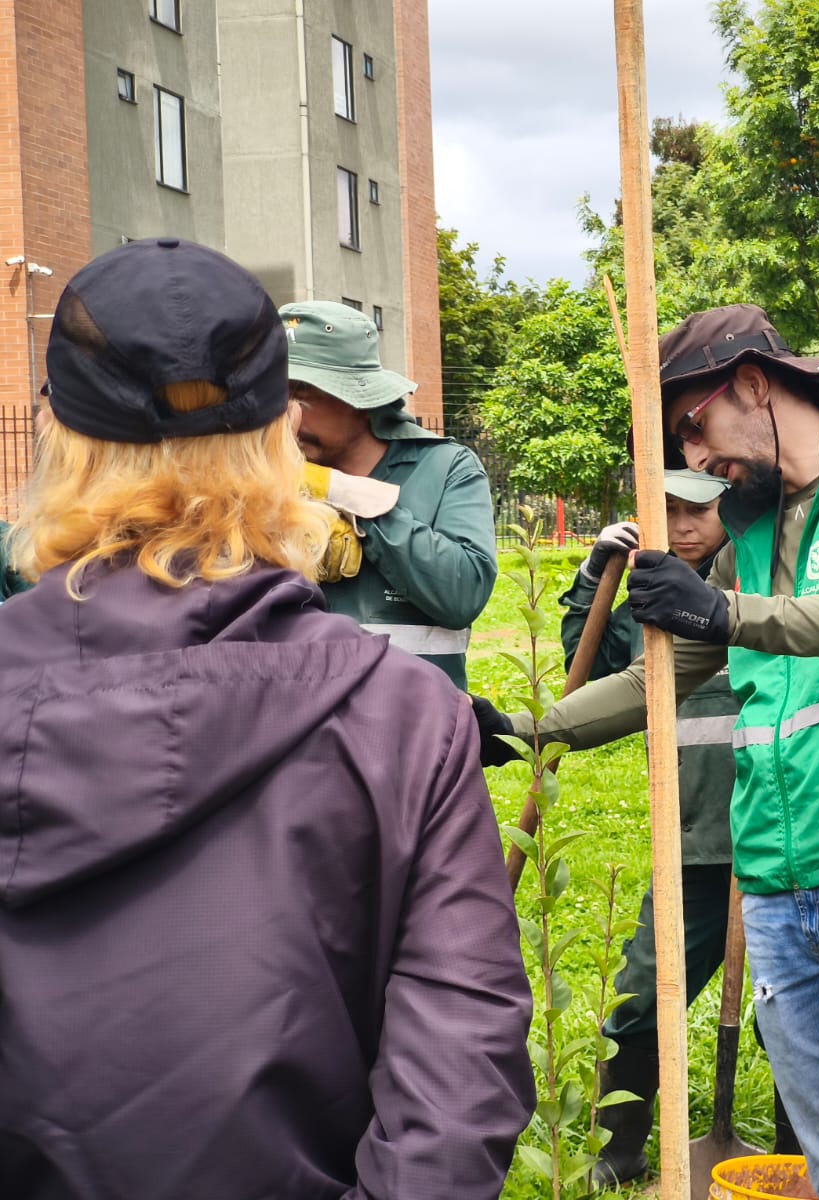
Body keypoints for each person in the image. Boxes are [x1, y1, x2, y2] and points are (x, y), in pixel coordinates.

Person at [0, 239, 534, 1198]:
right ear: (279, 430)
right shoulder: (408, 718)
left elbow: (460, 586)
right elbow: (458, 1077)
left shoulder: (439, 477)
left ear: (59, 434)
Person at [477, 304, 819, 1200]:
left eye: (694, 426)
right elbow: (656, 681)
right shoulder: (749, 535)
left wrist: (724, 612)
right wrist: (526, 732)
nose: (696, 459)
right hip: (781, 884)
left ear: (755, 382)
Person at [548, 469, 796, 1183]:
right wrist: (597, 574)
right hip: (686, 841)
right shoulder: (642, 588)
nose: (684, 526)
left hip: (773, 835)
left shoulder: (762, 581)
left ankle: (796, 1153)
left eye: (700, 511)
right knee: (642, 997)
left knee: (788, 1011)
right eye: (670, 512)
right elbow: (585, 671)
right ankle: (614, 1151)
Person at [285, 300, 496, 689]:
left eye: (302, 393)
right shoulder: (266, 479)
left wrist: (358, 501)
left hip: (416, 730)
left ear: (360, 398)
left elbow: (463, 593)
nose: (287, 413)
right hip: (300, 730)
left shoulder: (446, 467)